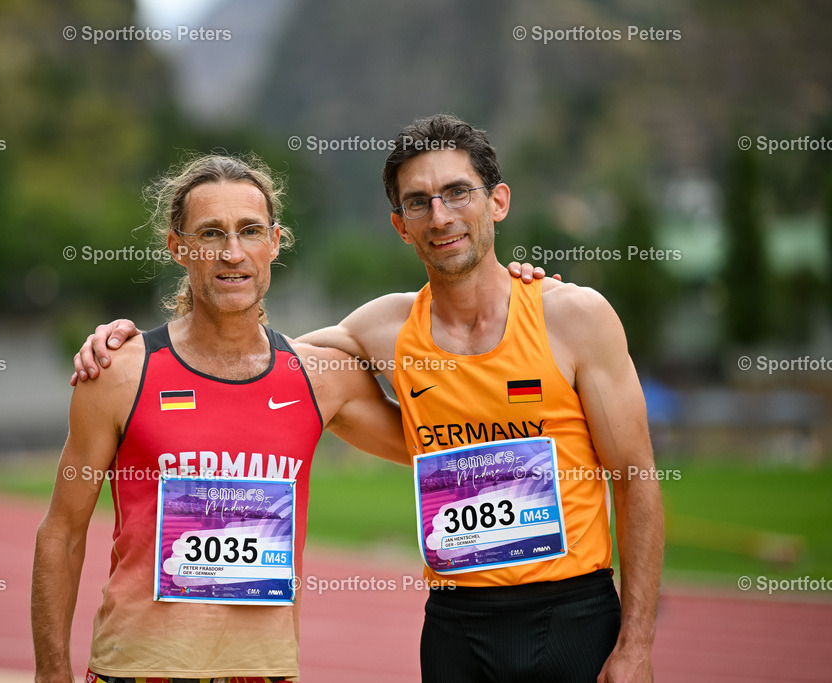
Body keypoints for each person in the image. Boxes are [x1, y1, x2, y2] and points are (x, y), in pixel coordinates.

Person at [77, 114, 664, 682]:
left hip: (571, 616)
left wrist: (636, 644)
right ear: (400, 225)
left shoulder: (574, 317)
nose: (440, 216)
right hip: (455, 625)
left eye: (458, 193)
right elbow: (246, 356)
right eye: (418, 202)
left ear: (498, 202)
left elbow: (636, 478)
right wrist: (132, 346)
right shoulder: (382, 329)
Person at [32, 154, 412, 683]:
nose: (233, 253)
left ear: (274, 243)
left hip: (263, 672)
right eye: (211, 234)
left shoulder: (320, 379)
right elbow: (62, 532)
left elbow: (440, 446)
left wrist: (517, 301)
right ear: (178, 246)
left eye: (250, 231)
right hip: (138, 669)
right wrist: (51, 675)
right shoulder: (119, 372)